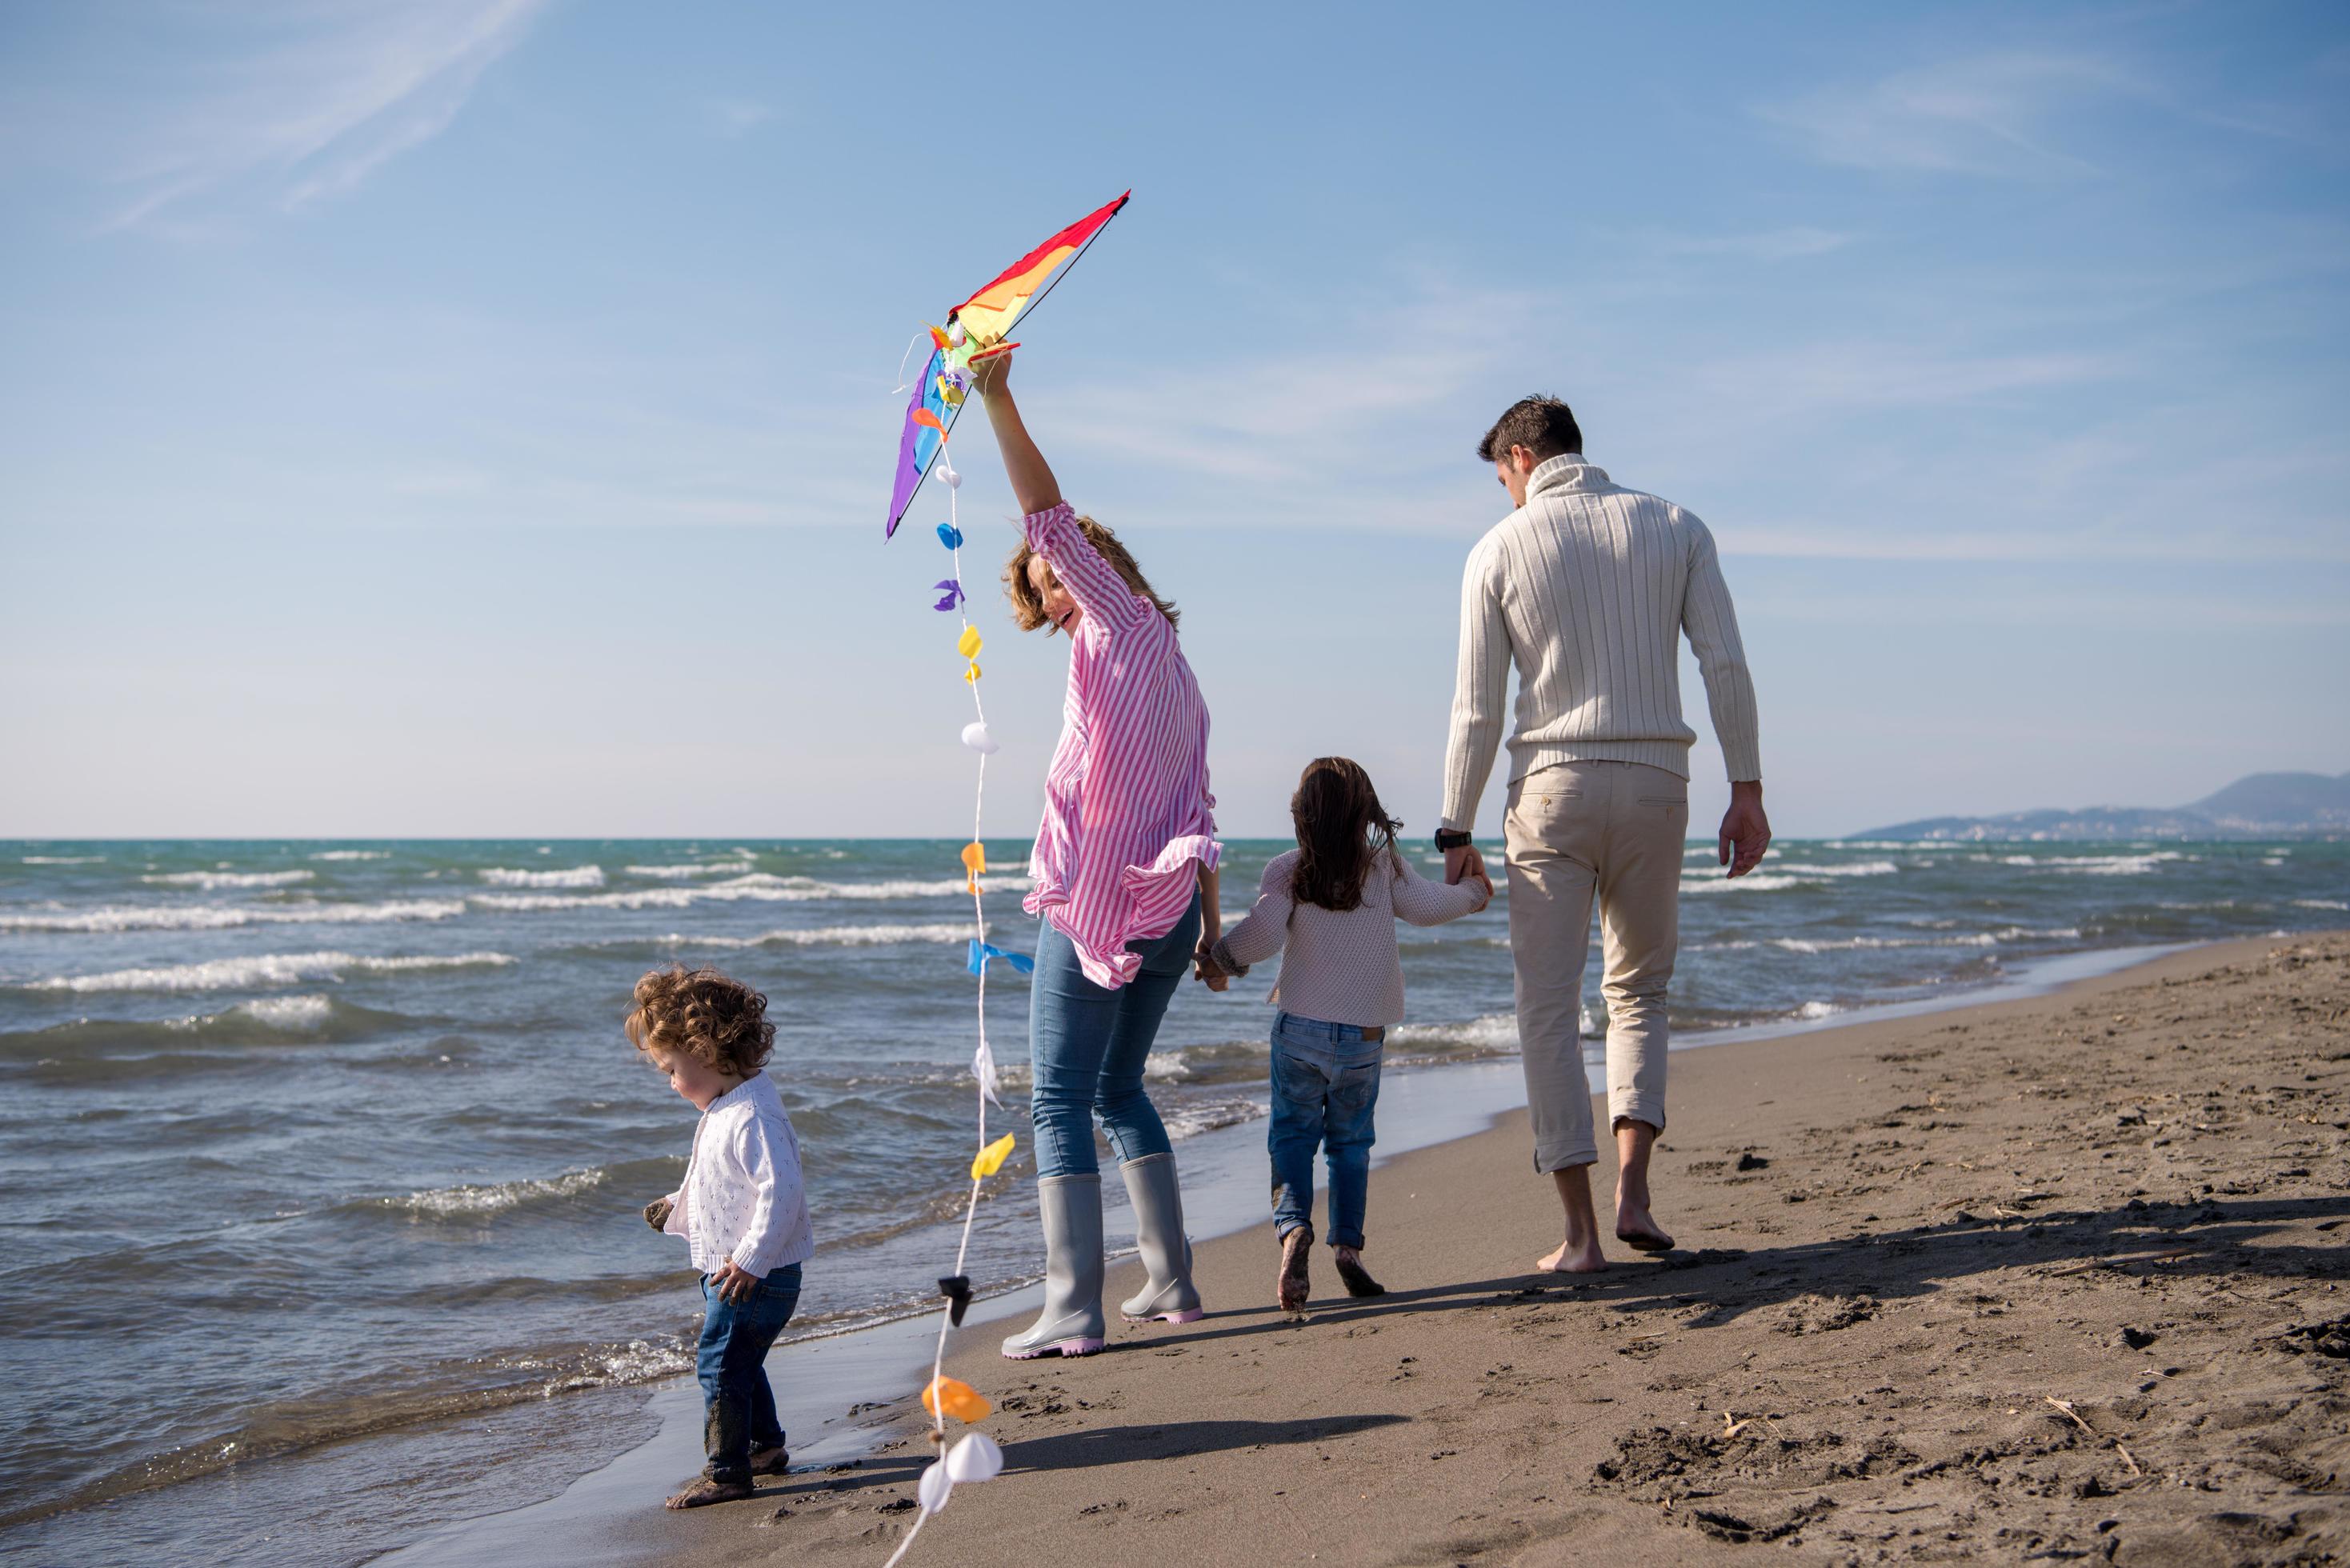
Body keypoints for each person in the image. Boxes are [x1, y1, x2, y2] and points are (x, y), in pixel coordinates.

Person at [1438, 395, 1771, 1274]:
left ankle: (1581, 1235)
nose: (1505, 494)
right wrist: (1748, 787)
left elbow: (1475, 710)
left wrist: (1453, 826)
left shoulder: (1499, 549)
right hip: (1659, 782)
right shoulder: (1675, 525)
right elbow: (1724, 662)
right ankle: (1636, 1191)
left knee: (1548, 1004)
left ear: (1519, 457)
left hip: (1549, 788)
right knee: (1640, 991)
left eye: (1502, 477)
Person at [971, 350, 1222, 1359]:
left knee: (1058, 1099)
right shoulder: (1166, 659)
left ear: (1090, 568)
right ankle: (1170, 1283)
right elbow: (1197, 798)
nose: (1052, 588)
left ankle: (1073, 1308)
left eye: (1056, 574)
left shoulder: (1119, 619)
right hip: (1164, 912)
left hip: (1106, 914)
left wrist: (995, 396)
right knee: (1118, 1090)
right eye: (1045, 585)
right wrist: (1208, 923)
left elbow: (1044, 510)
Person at [1199, 758, 1490, 1312]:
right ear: (1366, 814)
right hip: (1362, 1037)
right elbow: (1433, 907)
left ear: (1301, 815)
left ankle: (1293, 1232)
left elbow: (1260, 934)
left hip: (1299, 1033)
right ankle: (1349, 1250)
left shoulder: (1288, 870)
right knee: (1350, 1145)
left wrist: (1220, 959)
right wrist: (1475, 890)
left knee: (1291, 1138)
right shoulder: (1382, 869)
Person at [631, 963, 814, 1508]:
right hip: (734, 1272)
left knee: (719, 1365)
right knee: (738, 1361)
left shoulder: (752, 1115)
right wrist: (676, 1206)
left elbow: (779, 1193)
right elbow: (718, 1180)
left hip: (754, 1275)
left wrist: (753, 1259)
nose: (670, 1082)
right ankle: (764, 1444)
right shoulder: (726, 1107)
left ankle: (728, 1472)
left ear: (706, 1054)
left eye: (670, 1069)